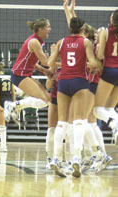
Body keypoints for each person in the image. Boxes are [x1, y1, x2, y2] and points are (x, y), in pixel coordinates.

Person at [48, 17, 103, 178]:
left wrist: (61, 61)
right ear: (82, 28)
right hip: (79, 81)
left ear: (70, 28)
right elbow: (92, 63)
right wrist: (97, 64)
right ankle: (76, 158)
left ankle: (56, 158)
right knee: (79, 121)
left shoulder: (61, 42)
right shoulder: (86, 42)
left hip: (63, 81)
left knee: (62, 122)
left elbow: (50, 61)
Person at [4, 18, 53, 123]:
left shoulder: (37, 41)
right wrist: (64, 62)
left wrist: (43, 70)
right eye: (48, 27)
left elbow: (32, 61)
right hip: (19, 75)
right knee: (46, 99)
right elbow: (45, 62)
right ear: (40, 29)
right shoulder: (34, 41)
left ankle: (15, 106)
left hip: (25, 74)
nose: (50, 29)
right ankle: (12, 105)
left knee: (48, 99)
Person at [93, 9, 118, 145]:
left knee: (97, 109)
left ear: (112, 19)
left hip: (110, 70)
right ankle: (117, 128)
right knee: (109, 108)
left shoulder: (105, 32)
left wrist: (97, 52)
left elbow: (101, 55)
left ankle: (114, 125)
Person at [0, 63, 16, 152]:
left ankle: (3, 146)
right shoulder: (10, 77)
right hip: (9, 101)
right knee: (4, 124)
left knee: (1, 125)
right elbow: (13, 91)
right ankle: (3, 145)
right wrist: (14, 103)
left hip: (1, 101)